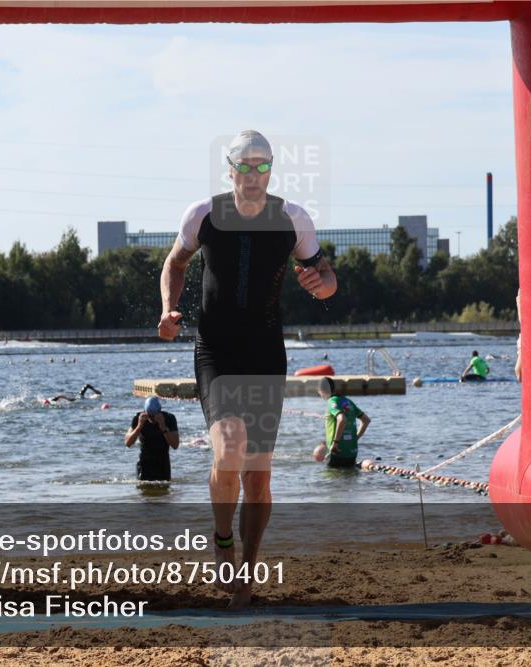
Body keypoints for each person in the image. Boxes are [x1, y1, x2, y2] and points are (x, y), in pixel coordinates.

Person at [157, 129, 337, 607]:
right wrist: (168, 309)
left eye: (263, 166)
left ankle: (249, 571)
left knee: (258, 473)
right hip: (215, 350)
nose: (254, 174)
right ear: (230, 169)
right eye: (246, 165)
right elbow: (174, 265)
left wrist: (321, 285)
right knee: (229, 448)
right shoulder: (204, 214)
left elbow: (328, 278)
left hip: (264, 355)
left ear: (271, 170)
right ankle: (222, 545)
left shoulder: (293, 219)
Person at [318, 377, 370, 468]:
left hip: (337, 452)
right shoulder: (348, 401)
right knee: (348, 477)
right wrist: (355, 438)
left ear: (321, 391)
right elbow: (366, 420)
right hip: (352, 453)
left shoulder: (331, 401)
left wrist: (335, 442)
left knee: (330, 479)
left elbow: (342, 419)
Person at [125, 396, 179, 481]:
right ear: (145, 411)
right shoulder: (138, 418)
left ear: (159, 411)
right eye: (149, 415)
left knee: (164, 492)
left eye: (154, 416)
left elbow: (175, 445)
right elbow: (128, 443)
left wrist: (163, 428)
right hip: (144, 463)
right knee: (144, 492)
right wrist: (139, 427)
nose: (151, 418)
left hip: (162, 462)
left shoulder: (169, 418)